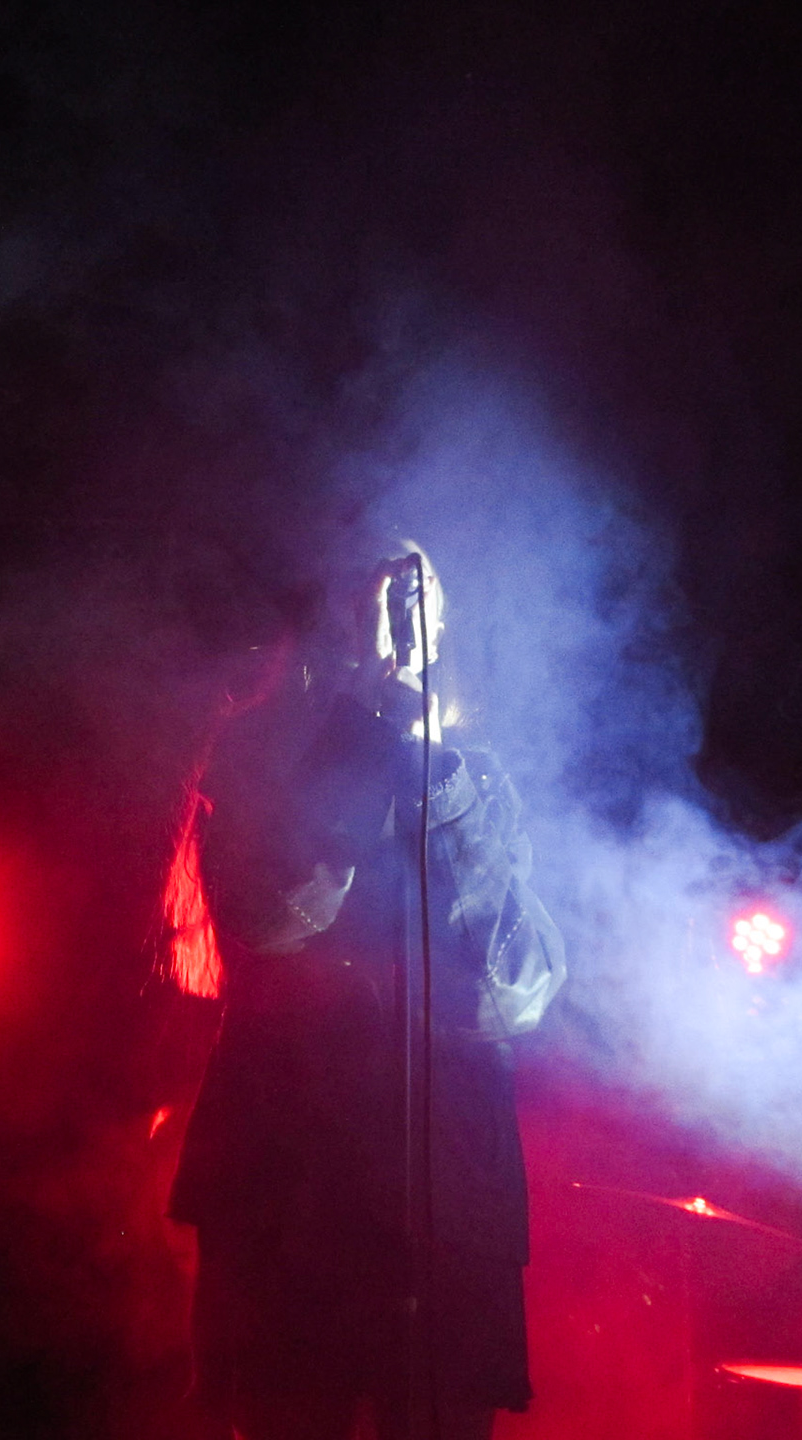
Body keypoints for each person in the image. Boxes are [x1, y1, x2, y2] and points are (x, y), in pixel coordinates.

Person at [167, 546, 566, 1440]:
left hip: (447, 1188)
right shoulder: (253, 750)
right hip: (291, 1180)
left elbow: (511, 995)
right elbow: (274, 919)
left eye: (419, 588)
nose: (398, 610)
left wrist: (432, 773)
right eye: (375, 591)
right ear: (326, 619)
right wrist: (365, 735)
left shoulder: (474, 777)